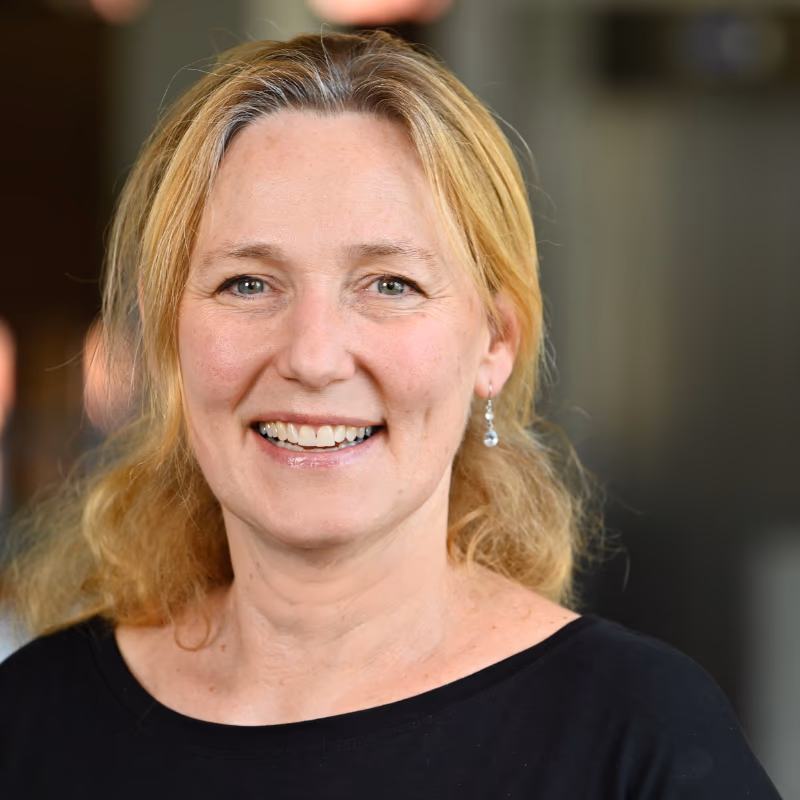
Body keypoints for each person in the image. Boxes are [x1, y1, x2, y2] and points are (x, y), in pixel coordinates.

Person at [0, 31, 781, 799]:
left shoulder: (636, 736)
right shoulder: (31, 722)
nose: (313, 356)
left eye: (389, 285)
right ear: (165, 332)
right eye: (248, 284)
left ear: (495, 343)